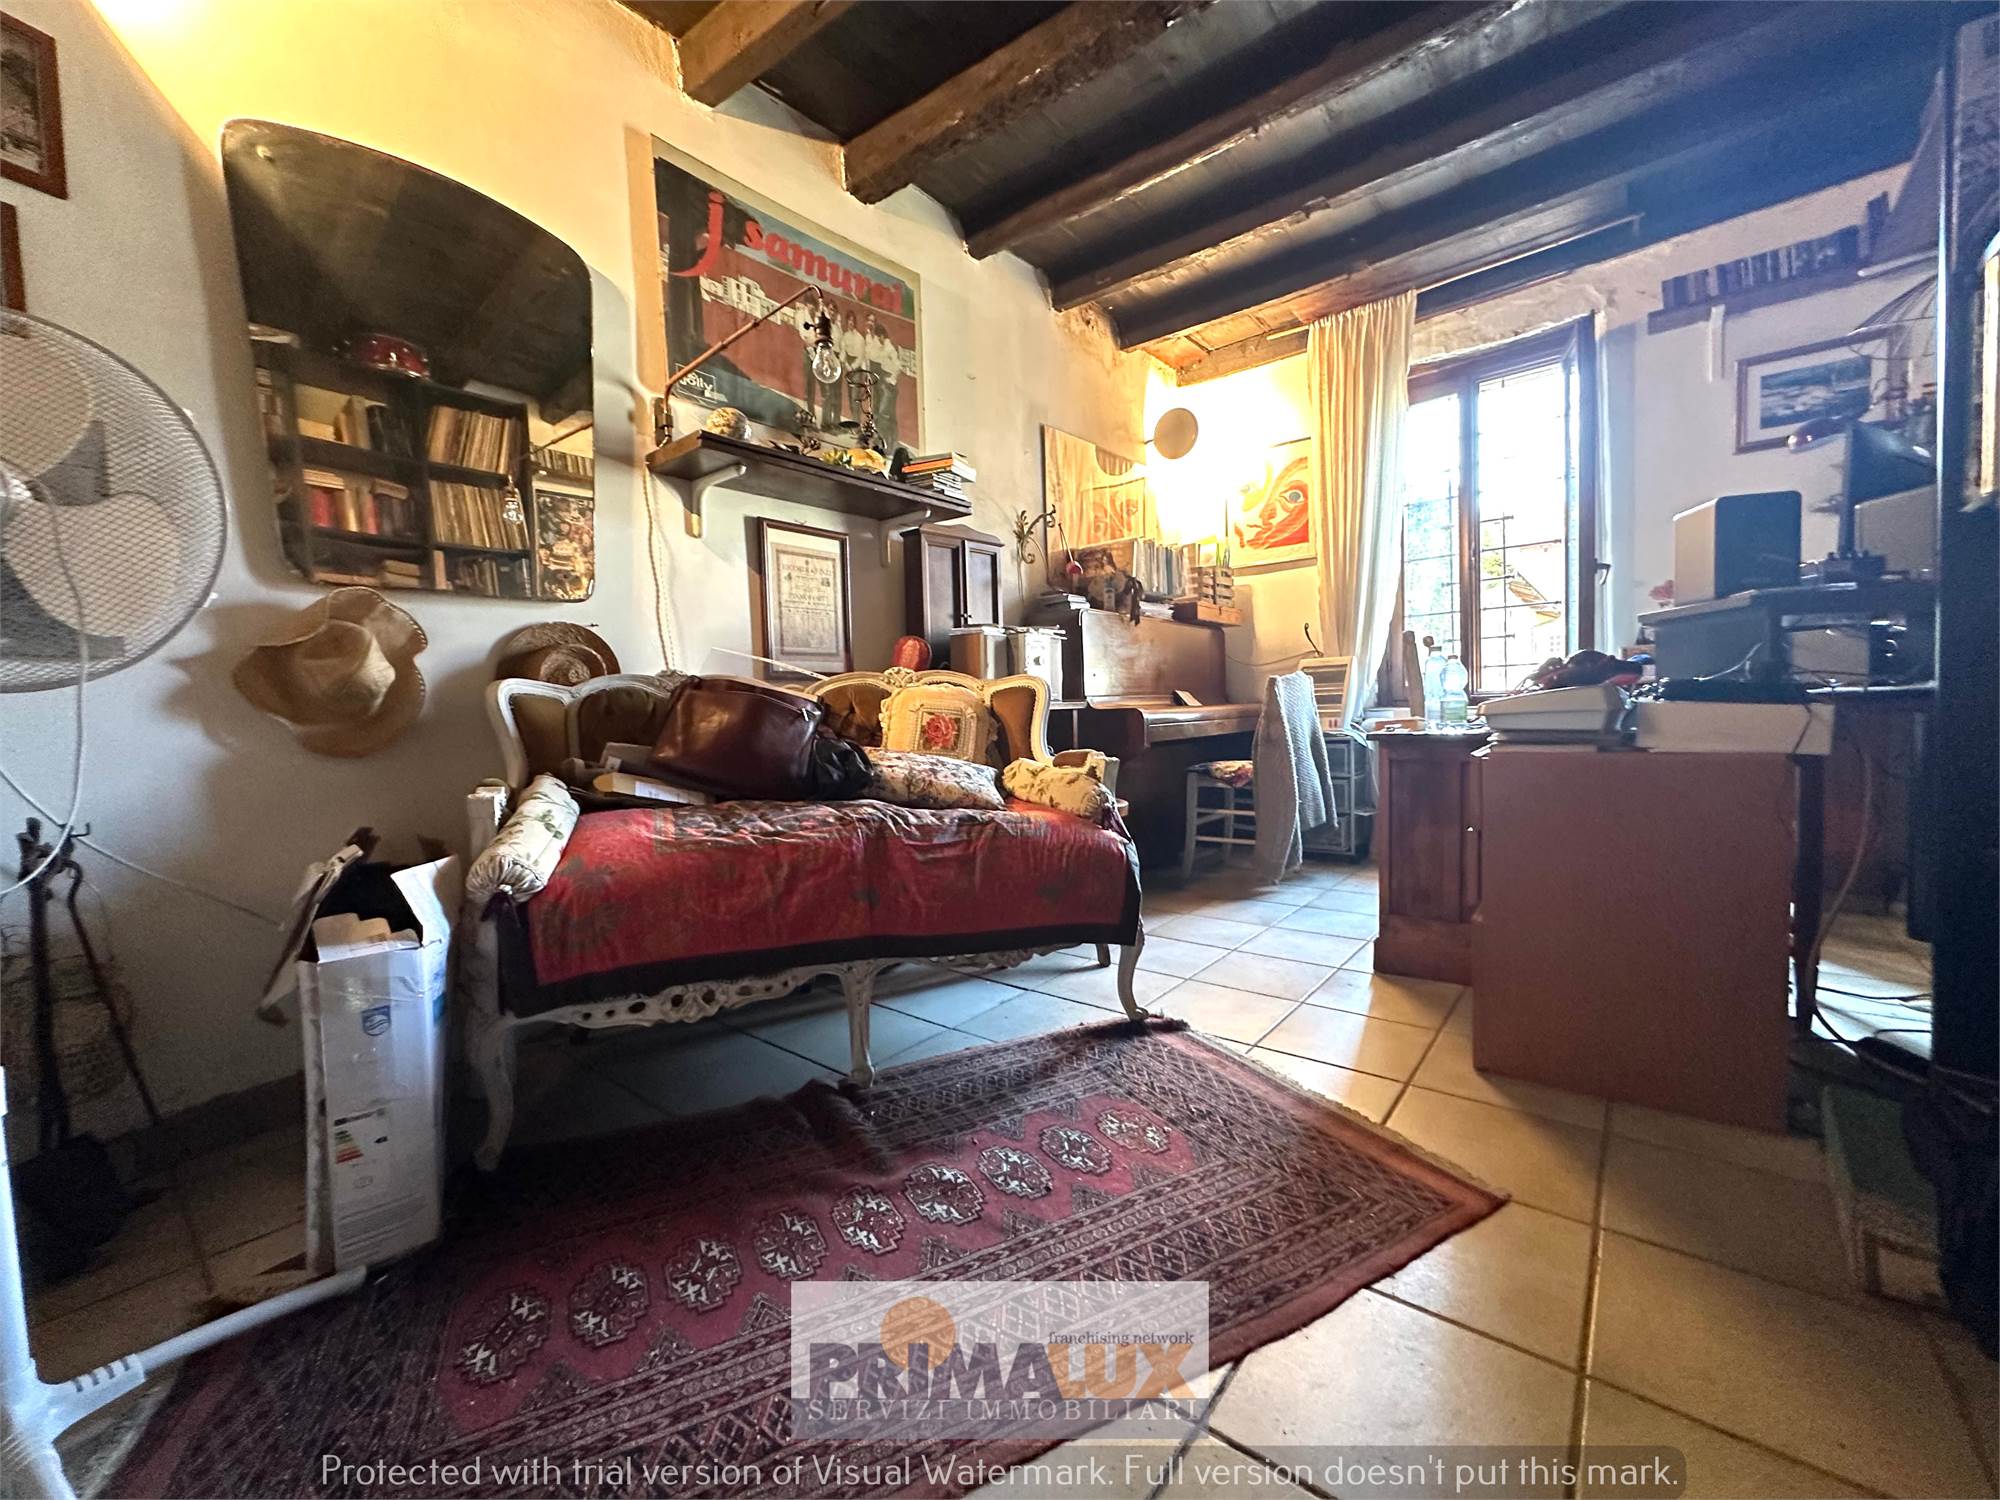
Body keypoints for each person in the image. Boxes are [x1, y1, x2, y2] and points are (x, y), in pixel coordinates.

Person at [866, 317, 900, 451]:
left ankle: (885, 444)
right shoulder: (882, 347)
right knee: (887, 415)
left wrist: (891, 380)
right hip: (883, 381)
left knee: (884, 414)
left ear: (881, 336)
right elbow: (872, 355)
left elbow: (898, 366)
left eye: (877, 336)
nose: (877, 339)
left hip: (888, 384)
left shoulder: (889, 348)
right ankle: (890, 443)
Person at [838, 313, 866, 425]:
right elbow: (843, 352)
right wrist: (845, 364)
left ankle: (857, 425)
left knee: (855, 398)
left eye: (852, 320)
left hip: (857, 370)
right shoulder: (845, 336)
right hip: (848, 368)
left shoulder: (860, 338)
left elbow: (860, 356)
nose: (851, 322)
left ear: (855, 323)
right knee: (850, 397)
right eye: (849, 320)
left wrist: (852, 367)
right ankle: (854, 423)